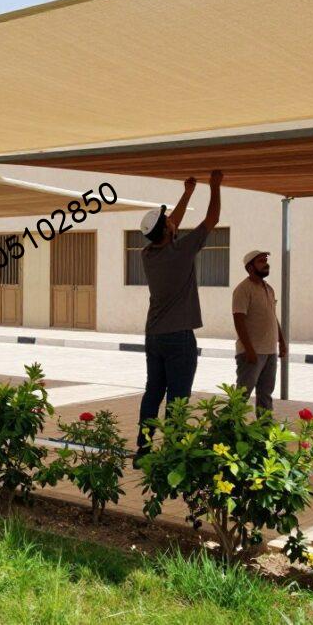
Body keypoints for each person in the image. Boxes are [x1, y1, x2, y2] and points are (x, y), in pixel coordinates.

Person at [134, 170, 223, 466]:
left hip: (154, 335)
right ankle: (173, 452)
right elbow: (211, 220)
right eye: (169, 221)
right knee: (178, 399)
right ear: (168, 231)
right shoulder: (181, 250)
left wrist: (187, 193)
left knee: (153, 393)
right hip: (179, 337)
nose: (173, 221)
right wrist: (214, 187)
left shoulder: (148, 254)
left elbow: (171, 226)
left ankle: (143, 451)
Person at [231, 250, 287, 411]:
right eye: (261, 261)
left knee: (265, 395)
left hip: (270, 352)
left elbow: (272, 317)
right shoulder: (243, 289)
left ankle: (264, 430)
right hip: (252, 353)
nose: (266, 263)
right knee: (242, 396)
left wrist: (281, 342)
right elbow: (238, 320)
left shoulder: (268, 288)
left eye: (265, 260)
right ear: (250, 268)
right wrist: (249, 350)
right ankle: (228, 430)